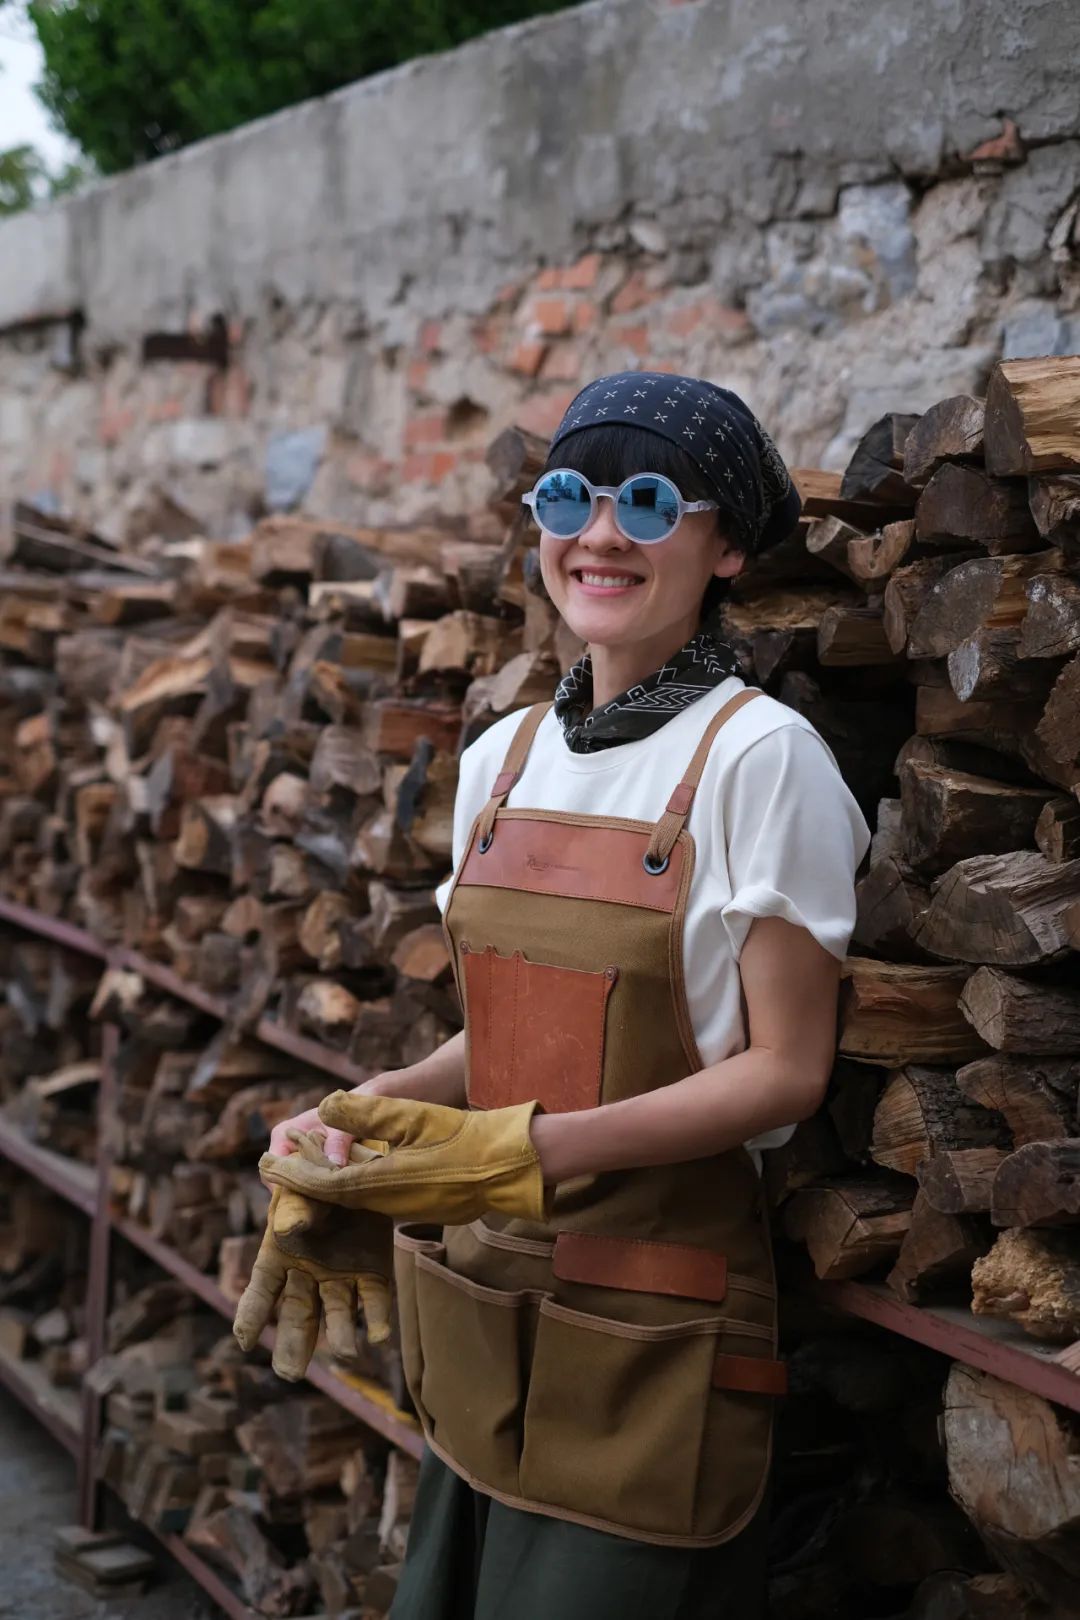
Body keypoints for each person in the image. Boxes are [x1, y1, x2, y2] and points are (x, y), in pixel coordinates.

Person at [242, 371, 872, 1620]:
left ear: (727, 545)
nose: (598, 533)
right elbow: (513, 1031)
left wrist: (512, 1156)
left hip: (655, 1343)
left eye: (648, 502)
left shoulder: (762, 761)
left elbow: (784, 1070)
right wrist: (361, 1116)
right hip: (489, 1317)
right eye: (569, 495)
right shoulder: (503, 755)